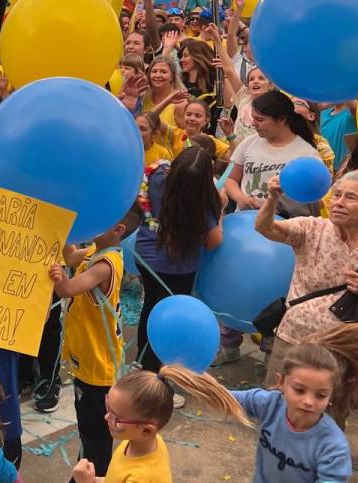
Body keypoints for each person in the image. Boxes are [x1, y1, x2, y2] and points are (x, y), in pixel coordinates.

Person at [255, 172, 358, 423]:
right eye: (337, 195)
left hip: (339, 352)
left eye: (350, 197)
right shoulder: (312, 228)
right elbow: (264, 228)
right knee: (277, 411)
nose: (339, 202)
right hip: (292, 339)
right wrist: (272, 198)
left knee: (328, 419)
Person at [231, 324, 358, 483]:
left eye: (320, 395)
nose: (308, 401)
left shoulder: (333, 447)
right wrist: (214, 388)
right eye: (299, 390)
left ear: (331, 396)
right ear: (281, 382)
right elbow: (227, 398)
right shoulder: (269, 404)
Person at [51, 205, 142, 476]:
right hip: (87, 360)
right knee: (88, 429)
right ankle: (86, 472)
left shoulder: (106, 264)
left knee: (96, 435)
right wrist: (59, 227)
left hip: (98, 367)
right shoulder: (94, 250)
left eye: (100, 220)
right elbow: (70, 255)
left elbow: (67, 289)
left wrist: (58, 277)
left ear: (117, 230)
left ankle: (96, 476)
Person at [71, 366, 249, 483]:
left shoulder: (142, 478)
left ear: (147, 431)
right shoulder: (137, 442)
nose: (106, 417)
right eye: (108, 406)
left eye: (116, 418)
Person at [135, 147, 223, 377]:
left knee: (150, 307)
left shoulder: (155, 177)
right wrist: (220, 215)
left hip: (146, 258)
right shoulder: (200, 202)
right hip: (178, 269)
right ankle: (158, 370)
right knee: (170, 319)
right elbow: (213, 241)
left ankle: (144, 361)